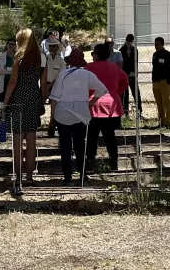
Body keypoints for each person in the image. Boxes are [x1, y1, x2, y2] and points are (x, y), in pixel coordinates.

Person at [49, 47, 109, 186]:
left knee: (65, 146)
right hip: (81, 113)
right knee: (80, 145)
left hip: (62, 112)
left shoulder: (63, 74)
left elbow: (54, 98)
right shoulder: (87, 74)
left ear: (70, 61)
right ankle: (82, 175)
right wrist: (91, 102)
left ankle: (67, 177)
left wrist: (52, 117)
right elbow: (103, 89)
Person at [2, 28, 44, 194]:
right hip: (33, 99)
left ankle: (18, 177)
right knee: (32, 139)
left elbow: (12, 82)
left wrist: (5, 103)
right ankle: (29, 177)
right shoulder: (38, 57)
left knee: (18, 141)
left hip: (18, 101)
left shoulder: (18, 58)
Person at [84, 41, 128, 176]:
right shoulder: (115, 68)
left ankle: (90, 162)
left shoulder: (89, 67)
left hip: (94, 105)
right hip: (112, 105)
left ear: (96, 55)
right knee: (110, 137)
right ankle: (114, 163)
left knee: (92, 136)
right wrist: (116, 93)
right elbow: (125, 79)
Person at [41, 37, 66, 137]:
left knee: (53, 108)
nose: (51, 48)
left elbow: (61, 76)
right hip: (44, 84)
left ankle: (51, 127)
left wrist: (49, 86)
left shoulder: (61, 61)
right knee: (38, 104)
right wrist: (44, 86)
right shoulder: (45, 59)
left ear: (57, 48)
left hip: (55, 86)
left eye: (53, 46)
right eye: (50, 46)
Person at [150, 37, 170, 128]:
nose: (156, 46)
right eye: (155, 44)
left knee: (166, 102)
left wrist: (168, 81)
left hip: (164, 82)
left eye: (158, 44)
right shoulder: (155, 55)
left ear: (162, 44)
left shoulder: (168, 55)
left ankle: (168, 123)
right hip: (156, 82)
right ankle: (161, 122)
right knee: (159, 103)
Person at [0, 37, 17, 143]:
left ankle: (14, 135)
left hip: (15, 88)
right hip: (3, 87)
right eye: (9, 44)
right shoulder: (2, 56)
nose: (11, 46)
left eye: (13, 44)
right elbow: (1, 70)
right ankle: (2, 136)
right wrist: (13, 71)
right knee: (3, 110)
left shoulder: (17, 56)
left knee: (14, 110)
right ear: (7, 44)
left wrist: (9, 70)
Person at [119, 34, 140, 115]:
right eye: (128, 40)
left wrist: (135, 72)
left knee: (136, 93)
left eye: (130, 41)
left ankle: (139, 111)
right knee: (125, 94)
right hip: (125, 75)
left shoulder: (135, 50)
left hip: (133, 75)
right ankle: (125, 112)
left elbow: (136, 63)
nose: (129, 42)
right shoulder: (121, 50)